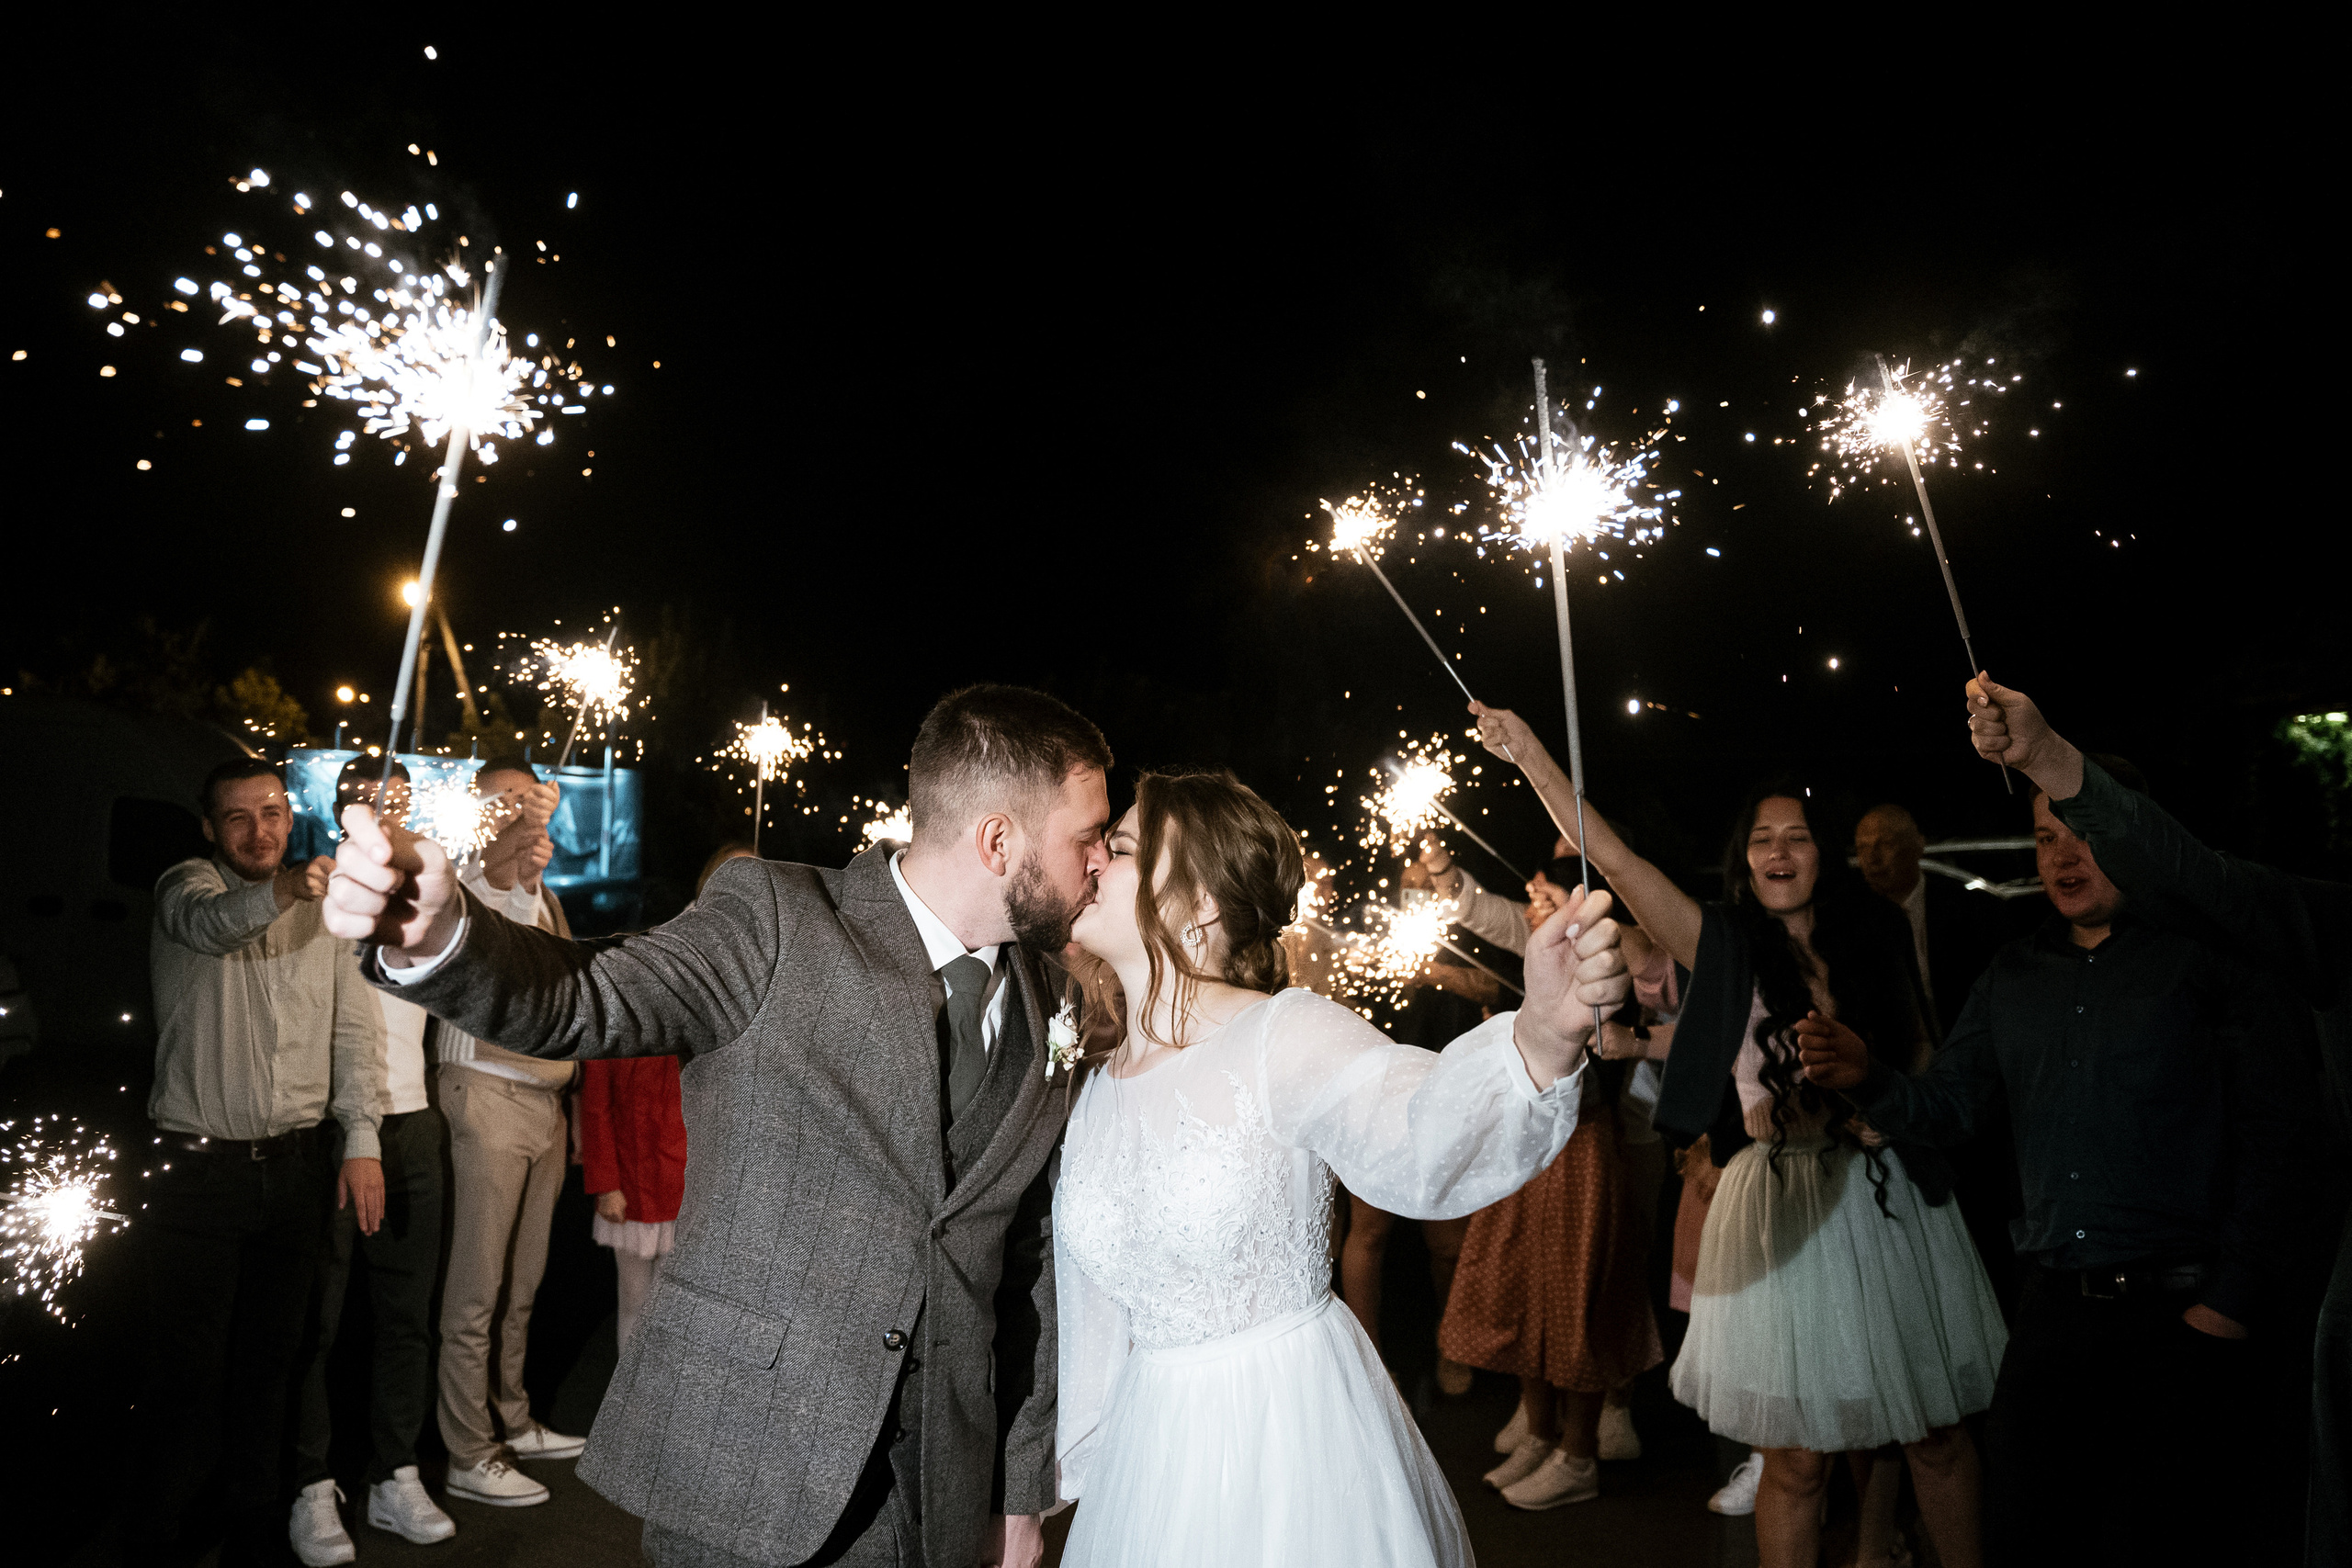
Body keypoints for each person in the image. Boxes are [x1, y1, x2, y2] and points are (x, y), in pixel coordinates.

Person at [325, 684, 1113, 1568]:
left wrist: (1014, 1487)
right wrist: (442, 940)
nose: (1103, 861)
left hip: (939, 1489)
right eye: (1089, 836)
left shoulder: (1055, 1001)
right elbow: (589, 995)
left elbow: (1025, 1263)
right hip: (747, 1462)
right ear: (998, 840)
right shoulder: (778, 919)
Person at [1467, 702, 2004, 1568]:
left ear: (1822, 851)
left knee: (1933, 1435)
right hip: (1784, 1209)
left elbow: (1927, 1061)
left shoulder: (1874, 938)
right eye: (1762, 839)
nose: (1779, 852)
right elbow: (1616, 857)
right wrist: (1530, 752)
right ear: (1743, 858)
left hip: (1889, 1203)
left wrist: (1878, 1090)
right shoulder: (1721, 944)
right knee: (1795, 1459)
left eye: (1796, 835)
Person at [1051, 768, 1632, 1566]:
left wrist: (1542, 1035)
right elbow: (1089, 1314)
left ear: (1201, 901)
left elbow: (1419, 1132)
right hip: (1147, 1459)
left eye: (1118, 847)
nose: (1090, 862)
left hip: (1288, 1443)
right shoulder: (1089, 1077)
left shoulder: (1281, 1037)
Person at [1959, 673, 2347, 1566]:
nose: (2064, 856)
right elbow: (1950, 1103)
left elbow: (2280, 1139)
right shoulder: (2017, 975)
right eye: (2045, 835)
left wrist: (2228, 1301)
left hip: (2185, 1317)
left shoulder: (2214, 962)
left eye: (2088, 832)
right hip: (2056, 1310)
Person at [135, 758, 386, 1567]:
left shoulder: (324, 906)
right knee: (189, 1370)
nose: (259, 831)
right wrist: (287, 892)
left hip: (295, 1166)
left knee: (273, 1361)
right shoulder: (185, 885)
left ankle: (253, 1526)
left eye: (272, 812)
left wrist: (361, 1138)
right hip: (197, 1171)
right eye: (237, 817)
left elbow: (353, 1029)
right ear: (209, 827)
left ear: (290, 814)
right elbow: (213, 926)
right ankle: (164, 1532)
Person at [288, 761, 458, 1564]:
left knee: (406, 1314)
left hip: (414, 1116)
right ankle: (311, 1482)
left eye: (399, 798)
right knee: (317, 1319)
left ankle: (394, 1471)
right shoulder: (324, 888)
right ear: (341, 807)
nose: (388, 810)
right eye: (371, 799)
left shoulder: (417, 884)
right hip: (331, 1123)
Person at [430, 758, 586, 1509]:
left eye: (528, 799)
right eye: (504, 802)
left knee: (522, 1287)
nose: (519, 813)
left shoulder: (537, 886)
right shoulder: (463, 881)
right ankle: (467, 1449)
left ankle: (513, 1418)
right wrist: (525, 837)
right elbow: (499, 912)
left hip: (542, 1103)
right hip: (486, 1095)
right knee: (475, 1294)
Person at [578, 844, 743, 1356]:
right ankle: (628, 1414)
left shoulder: (707, 1004)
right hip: (631, 1189)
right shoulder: (623, 1011)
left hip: (683, 1186)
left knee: (677, 1311)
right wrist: (606, 1182)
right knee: (634, 1305)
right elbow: (597, 1102)